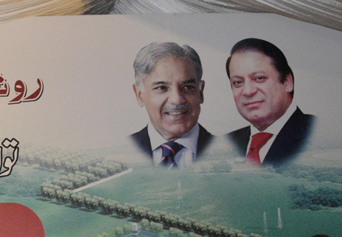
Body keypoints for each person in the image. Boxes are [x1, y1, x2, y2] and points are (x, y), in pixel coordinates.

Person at [225, 38, 315, 166]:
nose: (248, 91)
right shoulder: (226, 143)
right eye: (238, 82)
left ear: (287, 82)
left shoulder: (319, 135)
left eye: (259, 78)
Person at [129, 42, 215, 168]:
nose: (177, 99)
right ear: (139, 95)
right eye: (162, 88)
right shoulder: (115, 156)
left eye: (187, 87)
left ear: (200, 92)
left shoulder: (232, 153)